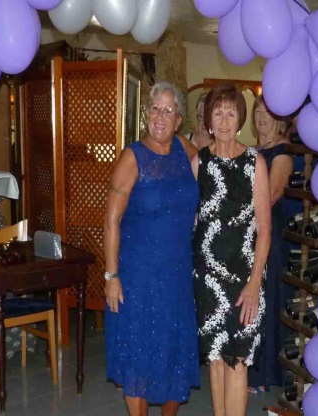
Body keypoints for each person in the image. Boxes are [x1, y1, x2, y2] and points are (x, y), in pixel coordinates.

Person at [104, 81, 200, 416]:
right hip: (138, 276)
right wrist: (111, 275)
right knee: (139, 354)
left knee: (174, 352)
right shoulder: (133, 157)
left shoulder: (185, 150)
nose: (160, 115)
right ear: (146, 114)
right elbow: (111, 220)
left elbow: (207, 174)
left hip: (176, 275)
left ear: (178, 120)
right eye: (155, 108)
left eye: (168, 110)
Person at [191, 83, 271, 416]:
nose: (224, 120)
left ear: (240, 120)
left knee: (237, 359)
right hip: (207, 278)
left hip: (244, 279)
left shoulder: (255, 163)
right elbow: (191, 222)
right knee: (214, 357)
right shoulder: (199, 163)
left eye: (231, 112)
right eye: (218, 112)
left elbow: (265, 229)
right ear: (208, 120)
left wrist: (254, 285)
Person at [247, 95, 295, 394]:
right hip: (249, 232)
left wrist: (239, 214)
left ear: (280, 118)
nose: (261, 115)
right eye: (257, 110)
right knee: (252, 297)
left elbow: (273, 193)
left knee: (269, 298)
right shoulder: (253, 150)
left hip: (272, 233)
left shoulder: (282, 152)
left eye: (267, 111)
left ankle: (267, 375)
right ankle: (251, 368)